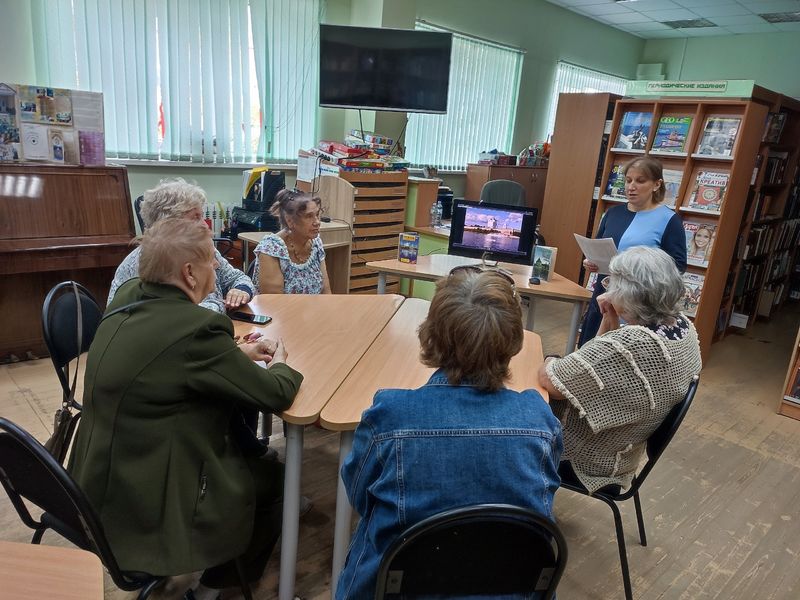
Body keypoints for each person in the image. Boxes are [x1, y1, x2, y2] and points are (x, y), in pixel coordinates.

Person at [69, 218, 303, 600]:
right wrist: (282, 363)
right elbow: (274, 394)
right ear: (189, 273)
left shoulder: (127, 300)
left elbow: (163, 361)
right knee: (280, 484)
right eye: (212, 260)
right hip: (148, 503)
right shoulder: (198, 328)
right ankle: (211, 590)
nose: (217, 267)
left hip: (96, 488)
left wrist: (236, 354)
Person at [335, 266, 563, 600]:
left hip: (398, 588)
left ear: (431, 334)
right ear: (513, 342)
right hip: (511, 588)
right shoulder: (538, 418)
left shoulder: (390, 416)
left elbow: (359, 498)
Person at [538, 246, 701, 494]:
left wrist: (550, 359)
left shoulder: (633, 343)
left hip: (588, 459)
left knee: (507, 422)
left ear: (630, 292)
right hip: (624, 451)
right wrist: (609, 321)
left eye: (612, 283)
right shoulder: (681, 326)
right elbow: (598, 362)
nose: (608, 289)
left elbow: (552, 381)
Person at [579, 156, 686, 346]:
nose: (631, 186)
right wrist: (591, 261)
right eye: (628, 180)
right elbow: (597, 246)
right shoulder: (613, 213)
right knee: (591, 348)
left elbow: (677, 267)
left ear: (656, 184)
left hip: (639, 306)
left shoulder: (669, 220)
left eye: (640, 180)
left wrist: (641, 274)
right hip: (604, 295)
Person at [109, 178, 255, 313]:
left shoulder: (203, 249)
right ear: (169, 224)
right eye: (195, 218)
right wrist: (220, 305)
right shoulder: (146, 262)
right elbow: (179, 316)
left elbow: (238, 278)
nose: (205, 225)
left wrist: (241, 290)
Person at [254, 188, 332, 294]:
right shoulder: (271, 248)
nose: (317, 222)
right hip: (281, 310)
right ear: (290, 221)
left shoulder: (316, 243)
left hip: (313, 309)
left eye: (317, 214)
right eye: (309, 216)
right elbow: (273, 304)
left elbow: (326, 291)